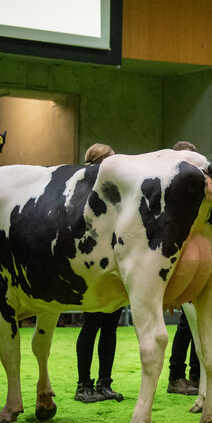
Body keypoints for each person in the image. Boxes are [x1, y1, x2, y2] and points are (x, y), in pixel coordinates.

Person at [74, 143, 125, 403]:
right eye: (110, 160)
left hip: (112, 263)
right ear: (98, 162)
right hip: (93, 265)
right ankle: (83, 385)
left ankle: (104, 383)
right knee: (92, 325)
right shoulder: (83, 188)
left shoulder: (114, 191)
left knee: (110, 327)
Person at [166, 141, 202, 395]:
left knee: (198, 323)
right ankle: (176, 376)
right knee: (186, 323)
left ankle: (196, 375)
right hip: (177, 257)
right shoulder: (169, 185)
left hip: (198, 257)